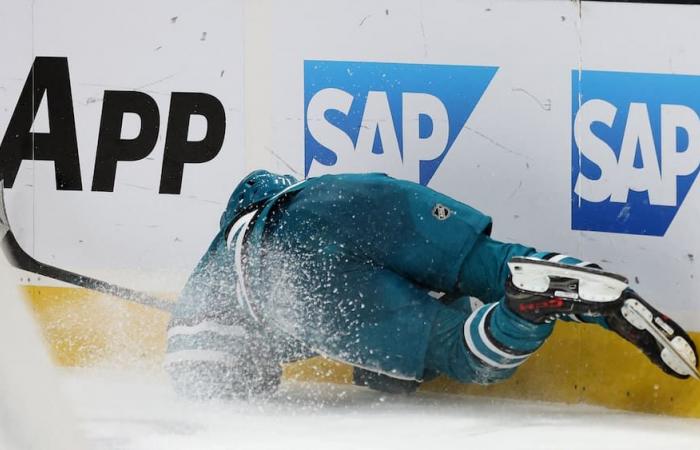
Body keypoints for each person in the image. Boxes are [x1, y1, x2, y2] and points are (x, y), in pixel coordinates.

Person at [164, 170, 698, 399]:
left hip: (299, 275)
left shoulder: (201, 305)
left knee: (462, 353)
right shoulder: (274, 204)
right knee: (488, 264)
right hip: (345, 197)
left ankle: (528, 309)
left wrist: (267, 360)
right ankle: (596, 299)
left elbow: (212, 384)